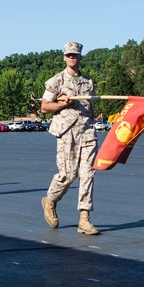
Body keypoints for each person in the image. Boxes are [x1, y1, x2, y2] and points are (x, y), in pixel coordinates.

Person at [39, 42, 99, 235]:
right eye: (69, 55)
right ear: (64, 57)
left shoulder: (88, 82)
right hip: (67, 132)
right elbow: (45, 107)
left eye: (76, 55)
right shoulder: (56, 81)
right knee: (68, 174)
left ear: (80, 58)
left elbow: (91, 107)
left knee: (88, 174)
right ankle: (50, 200)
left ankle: (84, 218)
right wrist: (62, 104)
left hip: (87, 132)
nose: (72, 58)